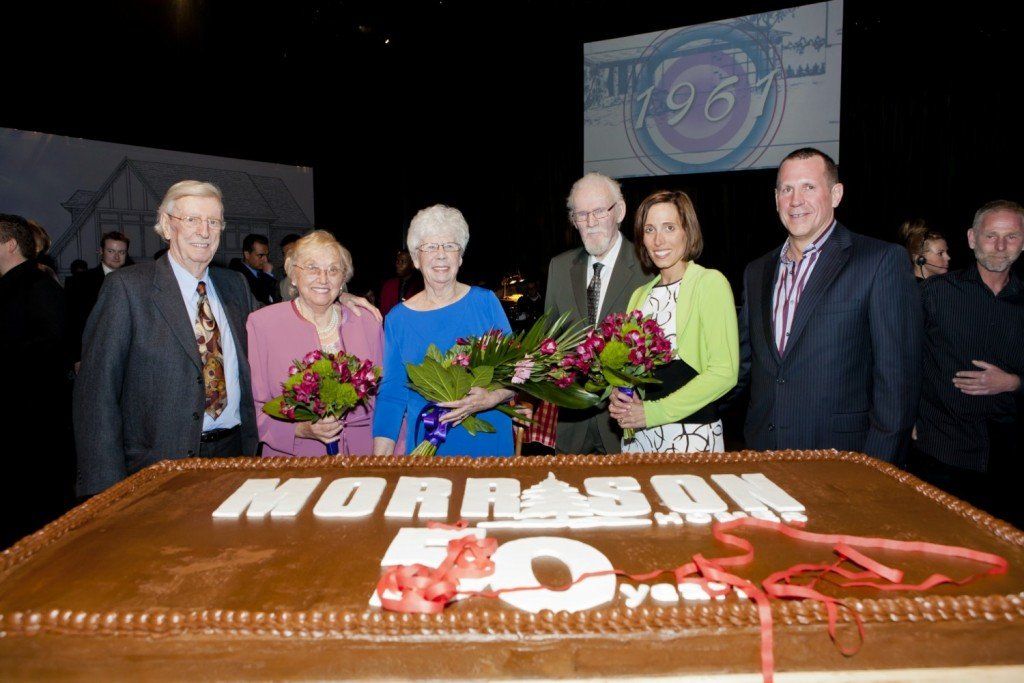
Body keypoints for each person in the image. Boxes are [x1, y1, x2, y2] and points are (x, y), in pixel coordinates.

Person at [74, 181, 261, 496]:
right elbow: (97, 393)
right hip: (159, 466)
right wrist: (105, 490)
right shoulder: (128, 289)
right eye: (192, 220)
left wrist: (336, 301)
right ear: (166, 225)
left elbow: (277, 328)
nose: (204, 230)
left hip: (236, 457)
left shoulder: (235, 286)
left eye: (213, 221)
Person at [736, 148, 922, 462]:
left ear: (836, 194)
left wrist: (875, 469)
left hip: (842, 461)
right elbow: (744, 367)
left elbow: (898, 384)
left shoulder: (879, 262)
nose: (796, 200)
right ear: (776, 198)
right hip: (763, 455)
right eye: (787, 189)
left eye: (809, 187)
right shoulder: (756, 272)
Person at [911, 200, 1024, 526]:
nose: (1001, 246)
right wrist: (906, 416)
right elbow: (902, 359)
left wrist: (1014, 382)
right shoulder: (935, 293)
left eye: (1012, 236)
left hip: (1008, 461)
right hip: (940, 450)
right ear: (973, 239)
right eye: (992, 236)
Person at [372, 205, 515, 457]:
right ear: (416, 259)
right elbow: (392, 396)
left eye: (450, 246)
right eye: (430, 247)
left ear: (460, 257)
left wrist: (492, 397)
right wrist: (379, 462)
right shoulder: (397, 319)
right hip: (428, 449)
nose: (441, 255)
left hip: (488, 442)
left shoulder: (486, 303)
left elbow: (519, 374)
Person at [609, 191, 739, 453]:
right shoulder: (640, 295)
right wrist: (620, 394)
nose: (658, 240)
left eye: (669, 227)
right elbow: (629, 371)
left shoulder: (710, 283)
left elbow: (725, 373)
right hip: (639, 437)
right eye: (649, 229)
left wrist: (652, 412)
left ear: (687, 231)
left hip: (690, 436)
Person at [248, 231, 383, 456]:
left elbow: (387, 395)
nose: (323, 278)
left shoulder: (367, 321)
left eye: (333, 270)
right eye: (311, 268)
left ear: (343, 279)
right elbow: (254, 407)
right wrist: (299, 429)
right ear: (293, 275)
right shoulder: (263, 324)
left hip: (364, 457)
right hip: (296, 462)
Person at [544, 172, 649, 454]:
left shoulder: (647, 267)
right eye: (581, 214)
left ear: (620, 211)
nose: (590, 223)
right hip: (571, 424)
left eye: (599, 211)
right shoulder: (559, 267)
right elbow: (549, 342)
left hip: (627, 424)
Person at [0, 214, 72, 545]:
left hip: (33, 422)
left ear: (11, 244)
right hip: (21, 420)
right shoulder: (15, 285)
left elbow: (52, 344)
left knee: (34, 518)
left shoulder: (38, 285)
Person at [66, 231, 130, 367]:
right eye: (111, 251)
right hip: (92, 353)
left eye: (122, 252)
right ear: (101, 251)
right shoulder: (81, 281)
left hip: (127, 354)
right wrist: (77, 357)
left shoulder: (136, 281)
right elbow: (73, 321)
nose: (117, 256)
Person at [230, 233, 280, 305]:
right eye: (260, 255)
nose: (265, 260)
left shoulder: (259, 271)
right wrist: (267, 275)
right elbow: (260, 300)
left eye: (267, 255)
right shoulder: (236, 275)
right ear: (247, 255)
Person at [379, 248, 422, 315]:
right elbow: (384, 311)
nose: (398, 264)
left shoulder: (419, 287)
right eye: (398, 261)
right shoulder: (389, 285)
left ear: (412, 265)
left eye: (403, 262)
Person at [278, 233, 301, 301]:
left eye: (291, 253)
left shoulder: (316, 275)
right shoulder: (283, 283)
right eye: (285, 254)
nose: (287, 257)